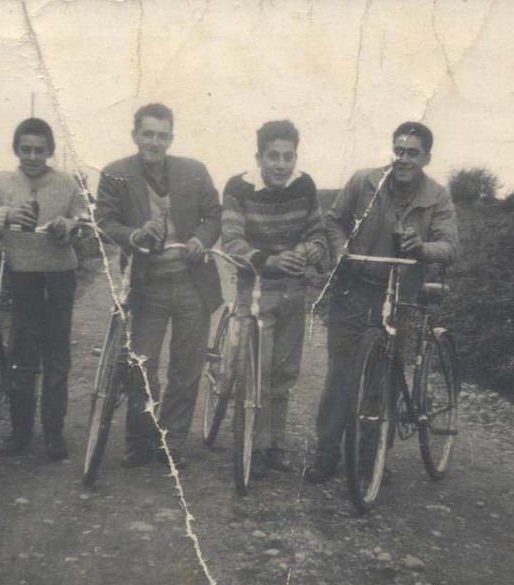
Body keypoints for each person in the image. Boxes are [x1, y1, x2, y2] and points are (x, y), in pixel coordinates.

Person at [306, 121, 460, 483]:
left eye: (412, 153)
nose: (403, 159)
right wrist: (342, 248)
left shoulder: (437, 197)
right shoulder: (365, 181)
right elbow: (335, 220)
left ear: (426, 158)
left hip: (402, 297)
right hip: (354, 291)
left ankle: (371, 455)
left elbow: (450, 247)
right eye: (399, 151)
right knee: (342, 374)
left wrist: (422, 248)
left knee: (385, 377)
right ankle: (326, 453)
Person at [95, 103, 222, 469]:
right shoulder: (115, 173)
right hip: (147, 284)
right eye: (148, 134)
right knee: (141, 364)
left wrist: (200, 238)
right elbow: (104, 219)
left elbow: (212, 215)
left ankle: (172, 442)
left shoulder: (194, 171)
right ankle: (139, 440)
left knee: (186, 367)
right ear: (135, 135)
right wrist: (133, 235)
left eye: (162, 135)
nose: (154, 141)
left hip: (191, 283)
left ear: (171, 137)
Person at [0, 117, 86, 460]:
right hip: (22, 275)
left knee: (56, 355)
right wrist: (7, 216)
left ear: (50, 152)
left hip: (59, 276)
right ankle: (21, 432)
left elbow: (85, 222)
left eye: (39, 150)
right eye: (25, 149)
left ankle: (54, 435)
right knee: (22, 355)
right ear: (16, 149)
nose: (32, 156)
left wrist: (68, 227)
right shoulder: (2, 182)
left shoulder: (67, 183)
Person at [222, 120, 327, 477]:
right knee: (254, 370)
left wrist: (310, 250)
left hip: (293, 290)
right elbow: (231, 241)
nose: (281, 164)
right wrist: (268, 260)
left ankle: (274, 445)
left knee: (284, 371)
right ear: (259, 156)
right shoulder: (238, 187)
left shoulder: (305, 185)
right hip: (254, 290)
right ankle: (250, 441)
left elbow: (318, 233)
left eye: (288, 156)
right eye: (273, 156)